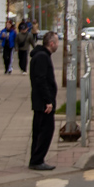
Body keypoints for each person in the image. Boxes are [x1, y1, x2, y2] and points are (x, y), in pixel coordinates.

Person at [28, 31, 59, 171]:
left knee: (39, 131)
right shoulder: (42, 57)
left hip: (41, 102)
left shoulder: (43, 56)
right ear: (51, 43)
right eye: (57, 42)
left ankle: (36, 159)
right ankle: (37, 160)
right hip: (43, 103)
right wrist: (48, 101)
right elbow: (40, 80)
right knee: (46, 131)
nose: (58, 44)